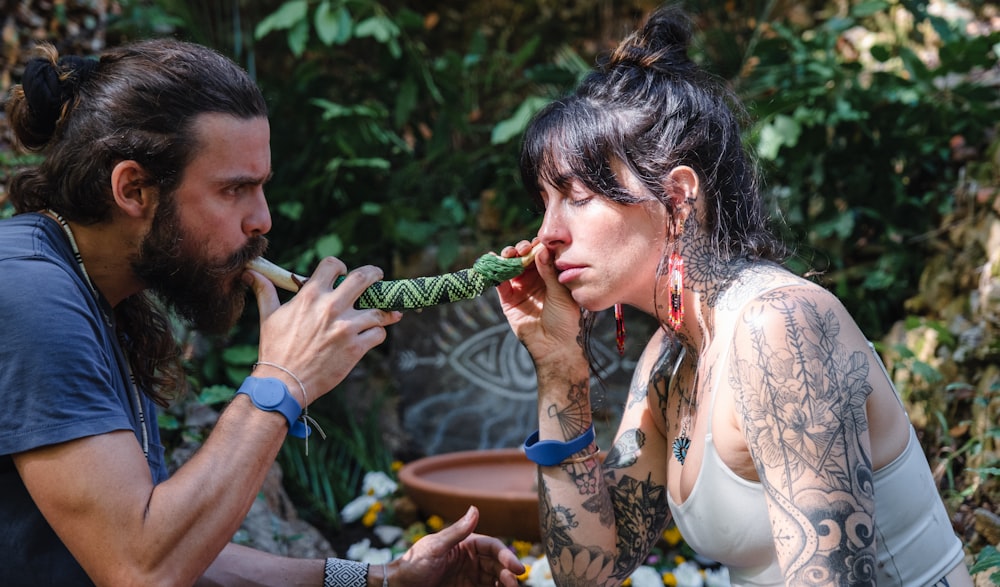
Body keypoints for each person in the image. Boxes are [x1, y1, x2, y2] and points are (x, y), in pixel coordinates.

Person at [0, 38, 524, 587]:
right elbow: (142, 568)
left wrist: (381, 578)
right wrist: (282, 381)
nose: (263, 220)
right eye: (235, 190)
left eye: (261, 188)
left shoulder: (101, 298)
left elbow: (178, 547)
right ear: (133, 189)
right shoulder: (30, 299)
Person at [496, 5, 972, 586]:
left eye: (576, 196)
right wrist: (559, 370)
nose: (548, 233)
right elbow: (589, 570)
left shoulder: (782, 328)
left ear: (676, 197)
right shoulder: (670, 362)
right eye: (544, 202)